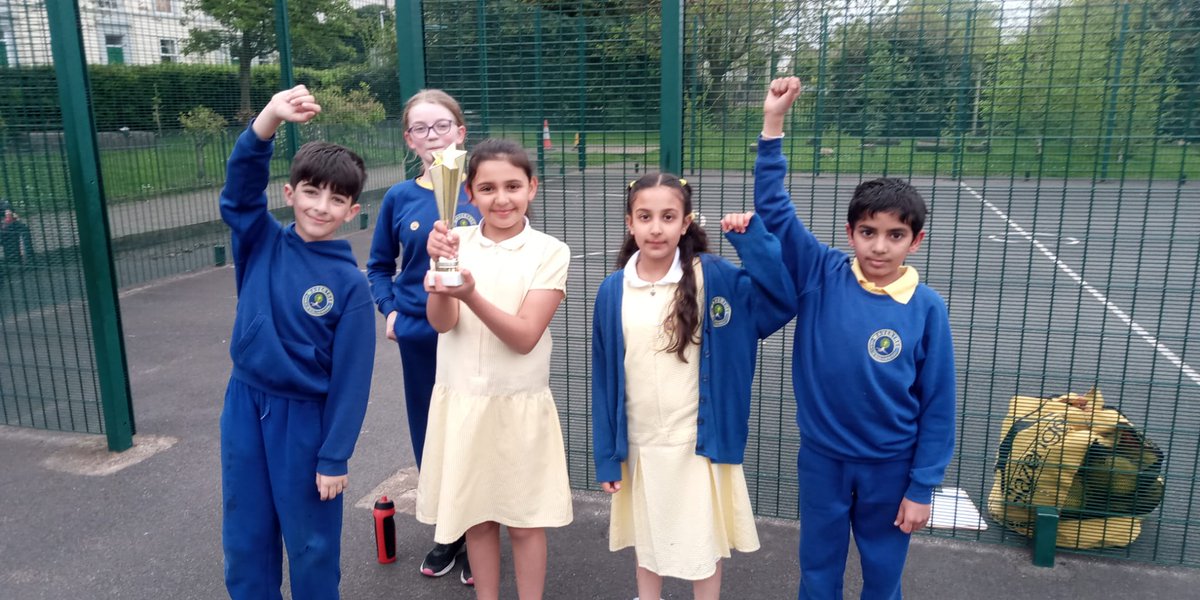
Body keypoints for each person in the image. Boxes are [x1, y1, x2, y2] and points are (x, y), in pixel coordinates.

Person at [754, 77, 957, 599]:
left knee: (882, 575)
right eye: (868, 232)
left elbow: (937, 405)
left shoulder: (926, 308)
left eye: (895, 235)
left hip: (891, 468)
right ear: (850, 233)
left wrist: (921, 487)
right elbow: (775, 209)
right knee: (818, 571)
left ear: (916, 240)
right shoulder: (821, 272)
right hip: (822, 459)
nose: (880, 247)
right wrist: (773, 122)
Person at [591, 173, 796, 600]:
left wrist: (752, 241)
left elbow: (779, 302)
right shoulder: (614, 290)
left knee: (704, 543)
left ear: (685, 223)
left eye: (668, 216)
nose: (656, 227)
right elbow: (605, 377)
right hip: (642, 443)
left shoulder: (714, 277)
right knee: (647, 540)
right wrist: (609, 455)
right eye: (645, 216)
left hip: (696, 442)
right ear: (629, 222)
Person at [218, 85, 375, 600]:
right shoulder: (259, 239)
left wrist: (334, 457)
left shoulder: (350, 284)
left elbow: (352, 382)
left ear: (353, 211)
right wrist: (268, 119)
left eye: (336, 199)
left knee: (310, 544)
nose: (321, 206)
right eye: (311, 192)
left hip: (304, 422)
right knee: (246, 535)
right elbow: (239, 190)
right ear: (290, 195)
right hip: (244, 405)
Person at [419, 138, 573, 600]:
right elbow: (441, 323)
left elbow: (525, 337)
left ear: (533, 188)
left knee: (524, 523)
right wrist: (440, 274)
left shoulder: (550, 251)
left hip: (517, 404)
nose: (501, 198)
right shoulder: (454, 241)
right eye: (487, 188)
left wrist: (470, 294)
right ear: (468, 193)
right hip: (462, 399)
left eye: (512, 186)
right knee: (478, 518)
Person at [366, 89, 481, 583]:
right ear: (409, 138)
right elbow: (377, 266)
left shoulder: (484, 189)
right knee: (431, 431)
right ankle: (448, 532)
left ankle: (479, 531)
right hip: (419, 333)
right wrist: (390, 311)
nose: (431, 136)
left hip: (477, 332)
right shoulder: (398, 197)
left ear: (460, 131)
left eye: (441, 126)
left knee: (475, 429)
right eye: (420, 128)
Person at [0, 199, 35, 266]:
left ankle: (26, 259)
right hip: (7, 230)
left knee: (21, 229)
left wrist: (5, 225)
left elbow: (12, 216)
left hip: (10, 229)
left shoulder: (5, 205)